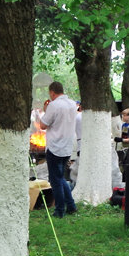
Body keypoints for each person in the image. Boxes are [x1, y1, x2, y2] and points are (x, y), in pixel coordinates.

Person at [37, 81, 78, 217]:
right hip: (67, 146)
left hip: (55, 146)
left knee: (55, 180)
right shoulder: (72, 104)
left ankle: (59, 210)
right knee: (60, 177)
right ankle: (71, 205)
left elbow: (43, 125)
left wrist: (44, 110)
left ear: (52, 92)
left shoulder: (54, 105)